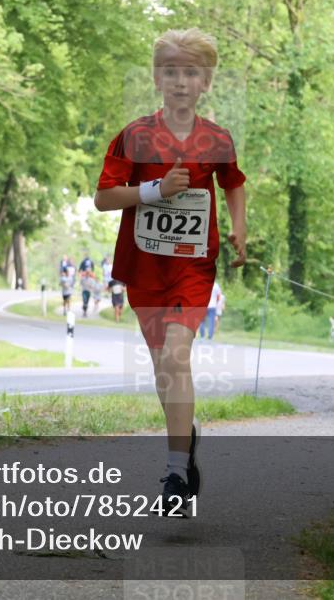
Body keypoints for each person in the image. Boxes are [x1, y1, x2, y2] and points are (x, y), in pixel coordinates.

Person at [94, 28, 247, 516]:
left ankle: (176, 475)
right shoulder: (135, 136)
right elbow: (103, 198)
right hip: (144, 266)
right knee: (164, 365)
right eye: (171, 71)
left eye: (191, 73)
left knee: (177, 356)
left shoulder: (217, 139)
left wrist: (239, 228)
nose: (181, 81)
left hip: (192, 268)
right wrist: (154, 190)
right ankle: (186, 441)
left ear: (206, 82)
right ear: (157, 78)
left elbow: (233, 183)